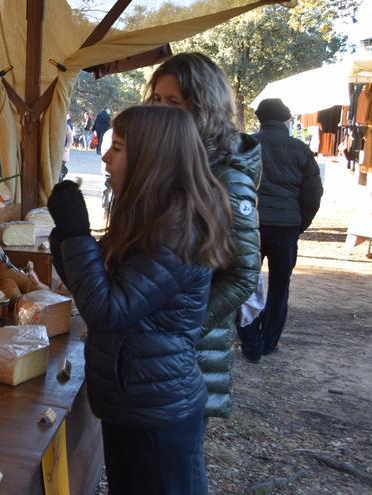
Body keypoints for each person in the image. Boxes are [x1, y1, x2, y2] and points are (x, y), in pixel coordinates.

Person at [48, 106, 234, 494]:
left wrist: (77, 236)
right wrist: (66, 236)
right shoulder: (146, 216)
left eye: (117, 148)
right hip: (133, 401)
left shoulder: (178, 231)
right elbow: (92, 288)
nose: (105, 157)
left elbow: (107, 310)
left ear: (152, 158)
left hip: (158, 413)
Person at [147, 52, 261, 418]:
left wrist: (185, 331)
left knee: (175, 445)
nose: (161, 110)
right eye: (157, 100)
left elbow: (243, 275)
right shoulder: (170, 159)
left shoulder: (228, 178)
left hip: (189, 352)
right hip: (155, 343)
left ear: (202, 109)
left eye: (173, 102)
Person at [238, 98, 322, 362]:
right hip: (286, 227)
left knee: (245, 283)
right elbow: (313, 194)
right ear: (286, 119)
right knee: (279, 286)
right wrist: (299, 224)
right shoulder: (300, 149)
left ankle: (250, 342)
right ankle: (269, 342)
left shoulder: (245, 145)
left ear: (260, 119)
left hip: (251, 225)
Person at [60, 115, 73, 181]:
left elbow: (70, 140)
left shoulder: (67, 127)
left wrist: (66, 149)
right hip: (55, 153)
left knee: (61, 170)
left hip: (63, 153)